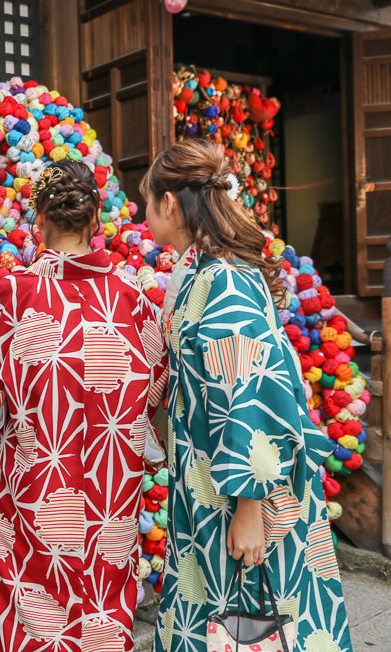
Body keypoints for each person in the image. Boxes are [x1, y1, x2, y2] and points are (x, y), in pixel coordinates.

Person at [142, 138, 352, 652]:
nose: (143, 213)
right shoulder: (204, 272)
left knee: (251, 623)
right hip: (209, 479)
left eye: (146, 201)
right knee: (229, 624)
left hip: (239, 487)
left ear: (170, 204)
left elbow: (250, 391)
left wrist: (250, 505)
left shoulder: (225, 281)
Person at [0, 159, 167, 652]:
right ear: (96, 223)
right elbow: (155, 384)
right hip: (110, 489)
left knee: (34, 607)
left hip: (34, 485)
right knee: (102, 602)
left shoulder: (13, 296)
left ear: (40, 222)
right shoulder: (131, 299)